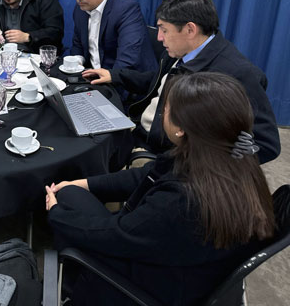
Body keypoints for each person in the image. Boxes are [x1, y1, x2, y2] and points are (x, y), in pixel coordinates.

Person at [46, 72, 276, 306]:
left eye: (166, 108)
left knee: (66, 208)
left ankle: (79, 285)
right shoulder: (229, 157)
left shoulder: (181, 200)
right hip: (186, 265)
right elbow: (146, 175)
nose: (162, 112)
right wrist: (84, 183)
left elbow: (118, 235)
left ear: (181, 128)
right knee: (70, 193)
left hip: (152, 285)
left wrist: (58, 215)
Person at [82, 0, 280, 164]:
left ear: (190, 30)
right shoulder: (179, 51)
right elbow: (158, 82)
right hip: (142, 131)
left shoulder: (237, 74)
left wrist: (198, 164)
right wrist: (115, 75)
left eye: (164, 30)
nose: (159, 37)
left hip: (167, 157)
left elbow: (266, 144)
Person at [70, 0, 156, 71]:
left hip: (123, 77)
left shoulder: (127, 10)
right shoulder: (80, 9)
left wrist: (102, 79)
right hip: (91, 74)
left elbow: (128, 59)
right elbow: (78, 45)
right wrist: (75, 63)